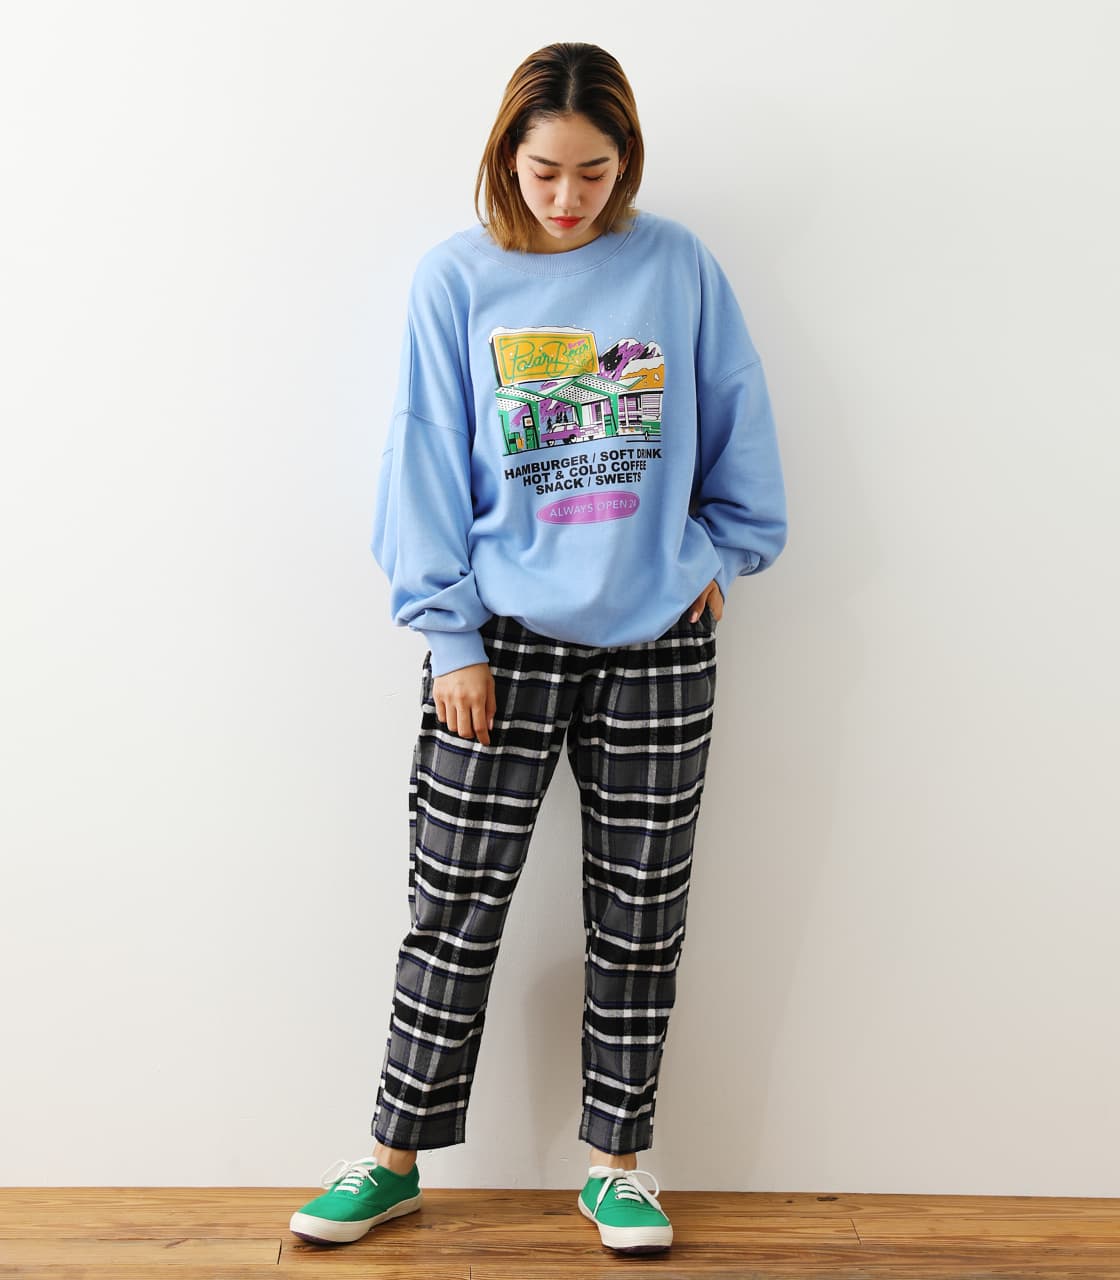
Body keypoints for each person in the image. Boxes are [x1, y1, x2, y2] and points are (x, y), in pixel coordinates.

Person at [289, 40, 787, 1258]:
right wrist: (448, 633)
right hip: (499, 641)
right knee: (453, 899)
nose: (569, 198)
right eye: (546, 170)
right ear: (506, 158)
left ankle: (618, 1166)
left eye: (594, 172)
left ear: (628, 161)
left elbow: (738, 412)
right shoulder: (457, 278)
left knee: (641, 904)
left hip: (658, 637)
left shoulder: (675, 264)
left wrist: (722, 554)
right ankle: (393, 1159)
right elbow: (420, 454)